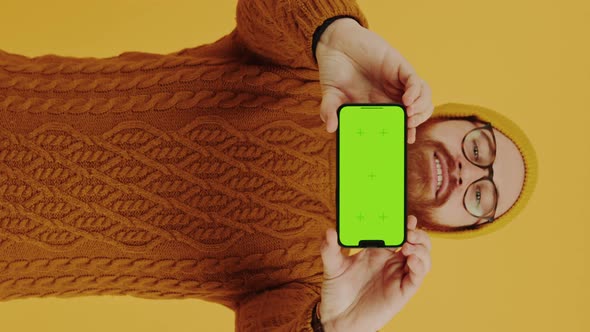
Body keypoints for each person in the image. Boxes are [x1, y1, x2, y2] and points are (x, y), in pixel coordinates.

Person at [0, 1, 537, 331]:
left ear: (453, 228)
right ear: (450, 119)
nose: (471, 174)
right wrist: (336, 34)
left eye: (483, 200)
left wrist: (342, 327)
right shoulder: (320, 70)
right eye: (482, 150)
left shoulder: (331, 281)